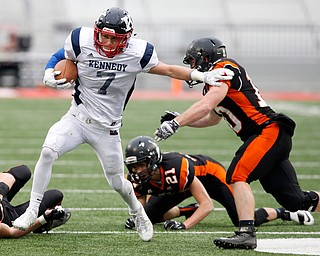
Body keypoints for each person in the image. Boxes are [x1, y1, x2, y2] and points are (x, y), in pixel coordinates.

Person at [11, 7, 230, 242]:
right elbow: (61, 55)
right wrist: (47, 72)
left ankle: (138, 213)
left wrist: (200, 76)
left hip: (107, 130)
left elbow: (167, 69)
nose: (107, 42)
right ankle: (32, 210)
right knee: (47, 151)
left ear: (127, 38)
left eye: (114, 38)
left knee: (117, 182)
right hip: (76, 118)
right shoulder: (80, 40)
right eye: (104, 36)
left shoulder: (138, 53)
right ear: (96, 32)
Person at [153, 37, 320, 249]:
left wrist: (176, 123)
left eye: (194, 61)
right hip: (266, 135)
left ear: (206, 57)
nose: (193, 67)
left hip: (267, 130)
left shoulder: (224, 68)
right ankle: (254, 228)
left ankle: (246, 233)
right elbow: (212, 117)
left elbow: (206, 105)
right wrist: (182, 120)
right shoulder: (213, 83)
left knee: (237, 176)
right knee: (296, 201)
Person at [122, 136, 314, 231]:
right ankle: (188, 209)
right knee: (151, 216)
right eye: (134, 166)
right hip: (180, 184)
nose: (138, 170)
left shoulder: (176, 168)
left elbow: (208, 205)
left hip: (211, 177)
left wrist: (184, 226)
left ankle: (284, 212)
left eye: (141, 164)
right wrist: (141, 217)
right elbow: (141, 203)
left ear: (154, 160)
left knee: (245, 220)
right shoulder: (137, 177)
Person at [0, 165, 71, 238]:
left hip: (2, 200)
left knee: (23, 171)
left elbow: (7, 178)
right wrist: (44, 218)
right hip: (8, 217)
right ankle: (43, 225)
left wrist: (1, 192)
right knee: (55, 196)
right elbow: (12, 232)